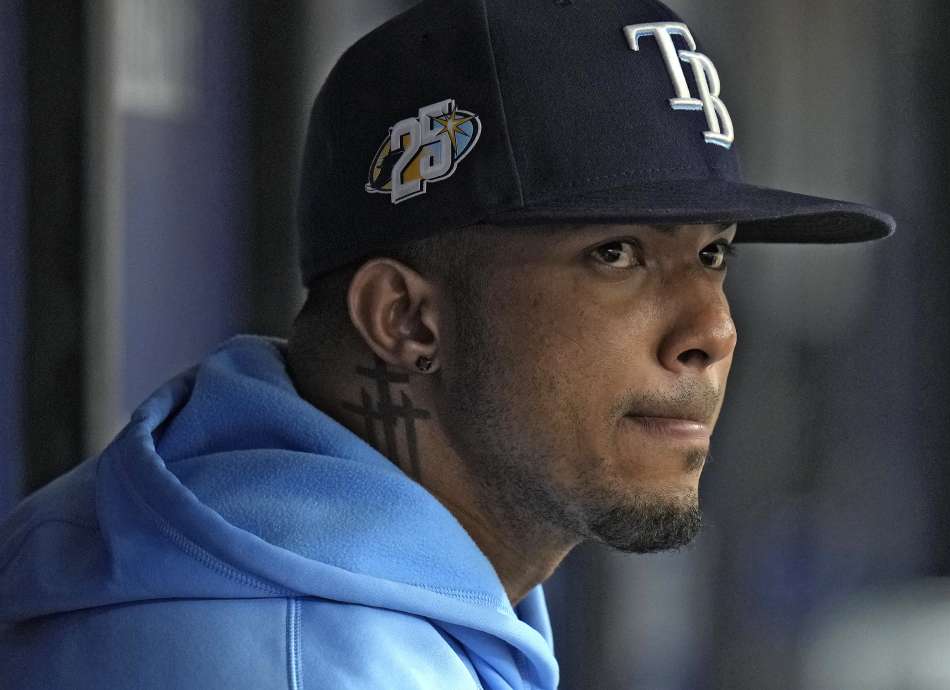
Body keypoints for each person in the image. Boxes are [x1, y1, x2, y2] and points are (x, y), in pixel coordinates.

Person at [0, 0, 893, 687]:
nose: (713, 331)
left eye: (712, 255)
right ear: (404, 319)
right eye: (617, 255)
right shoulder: (306, 660)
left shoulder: (245, 559)